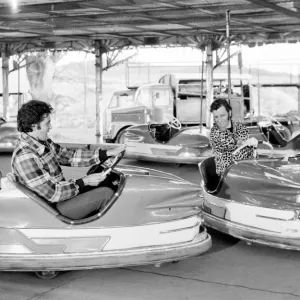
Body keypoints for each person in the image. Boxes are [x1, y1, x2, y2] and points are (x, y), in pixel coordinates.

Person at [11, 100, 125, 219]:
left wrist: (108, 153)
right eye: (47, 123)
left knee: (105, 183)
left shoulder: (42, 143)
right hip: (52, 209)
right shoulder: (26, 156)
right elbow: (53, 194)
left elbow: (69, 156)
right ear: (34, 126)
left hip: (60, 197)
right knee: (107, 194)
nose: (50, 127)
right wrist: (84, 181)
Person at [209, 98, 257, 176]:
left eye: (222, 115)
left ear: (229, 113)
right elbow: (231, 145)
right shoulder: (214, 133)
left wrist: (252, 142)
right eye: (216, 117)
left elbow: (251, 149)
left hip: (247, 170)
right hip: (227, 174)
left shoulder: (240, 127)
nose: (219, 120)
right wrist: (244, 142)